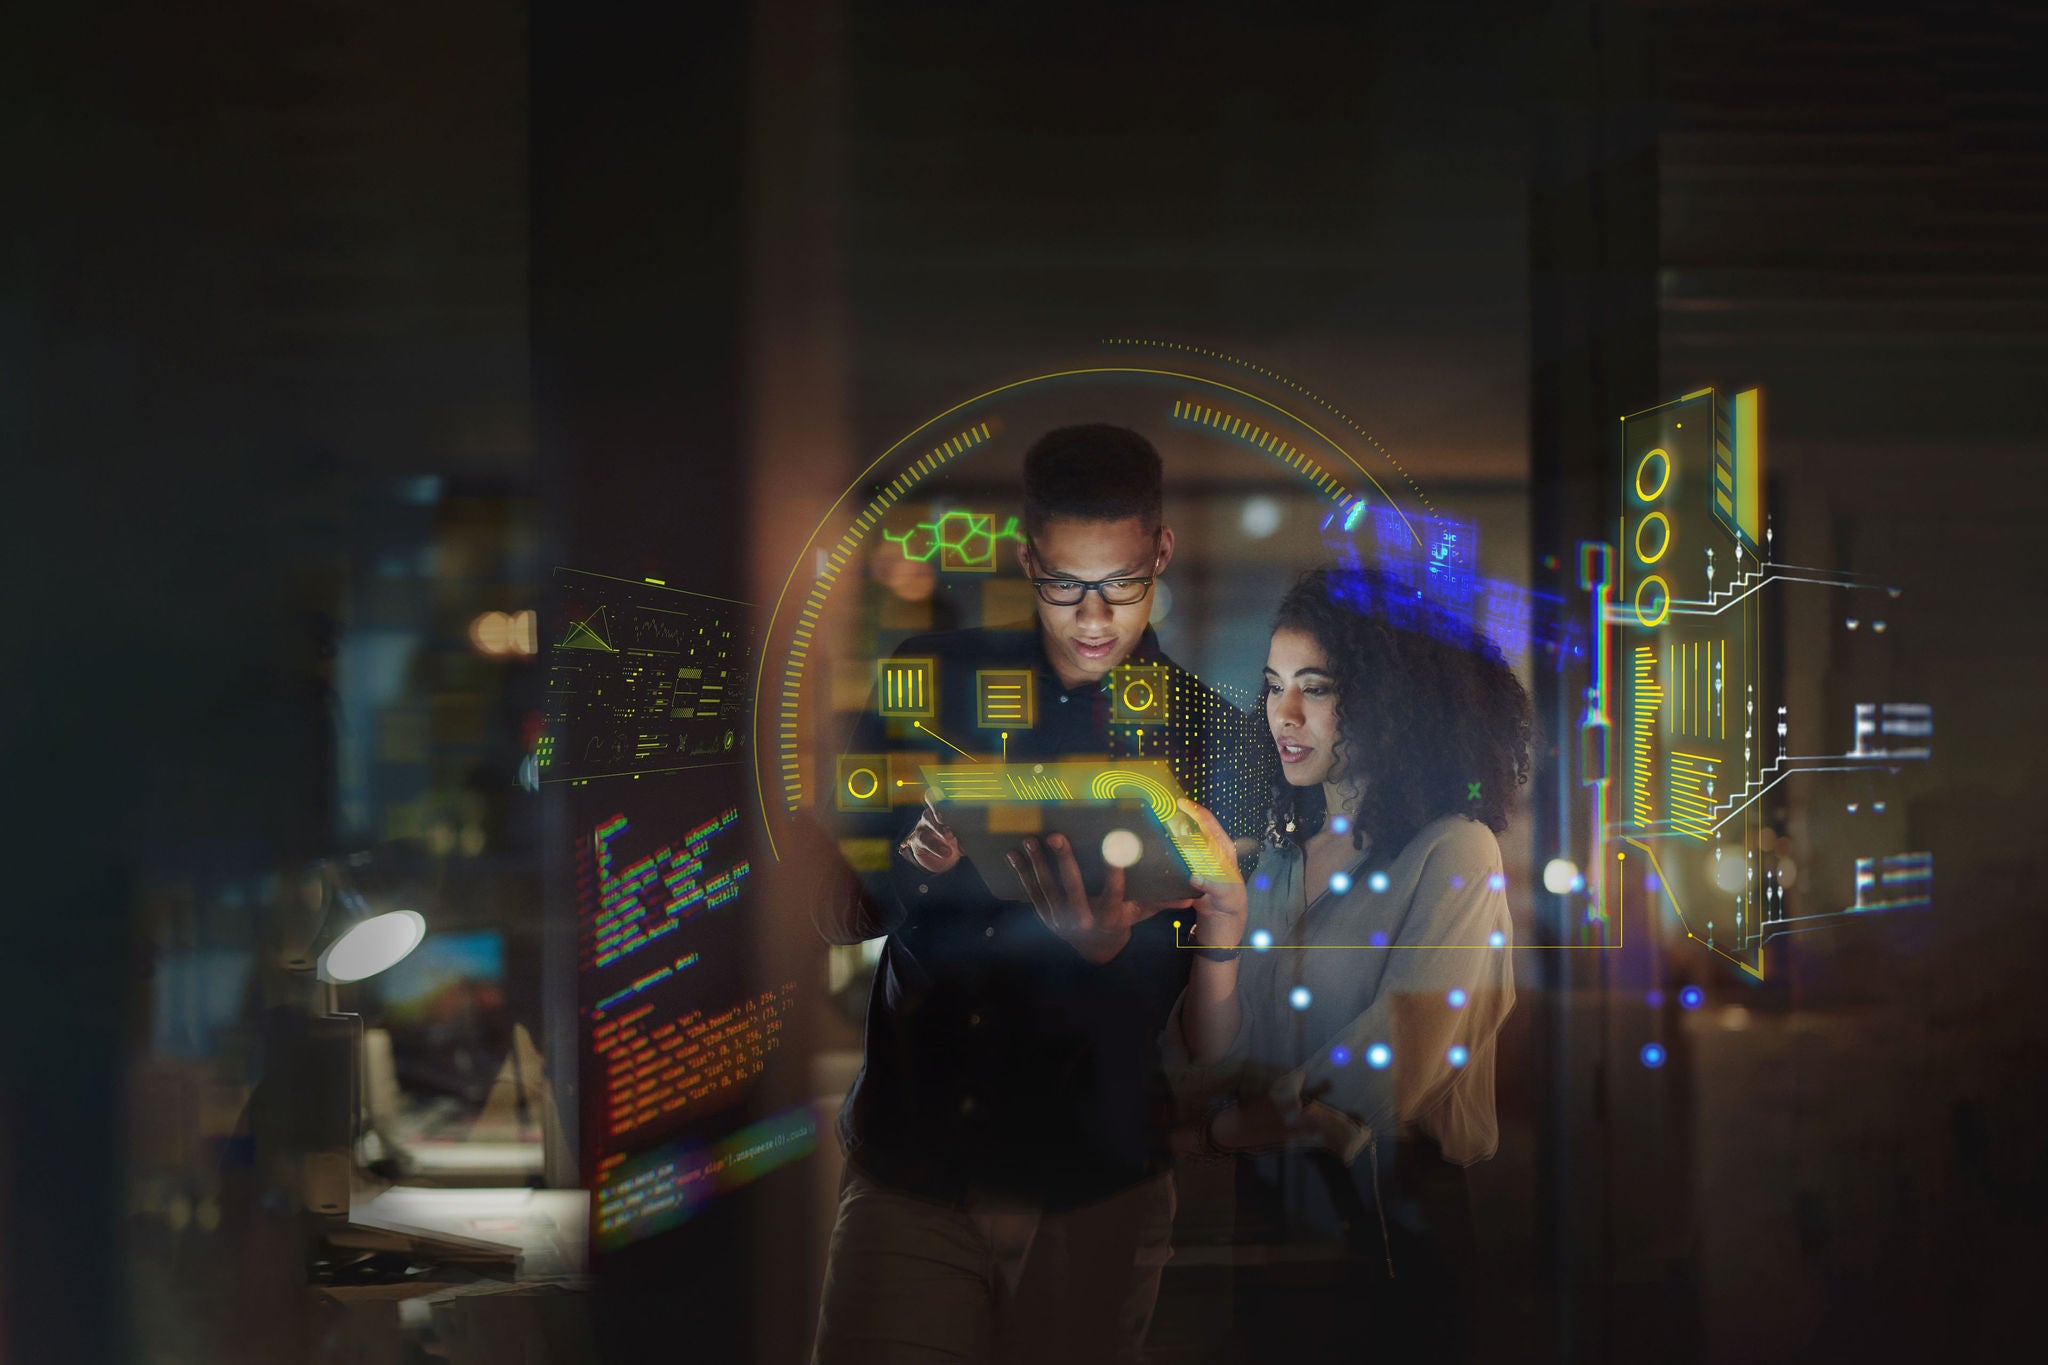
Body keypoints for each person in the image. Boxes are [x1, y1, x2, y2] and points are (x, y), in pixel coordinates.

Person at [809, 424, 1257, 1365]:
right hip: (917, 1167)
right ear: (1027, 558)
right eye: (1064, 584)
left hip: (1097, 1189)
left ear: (1161, 553)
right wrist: (911, 861)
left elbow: (1206, 1032)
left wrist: (1127, 956)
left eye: (1122, 584)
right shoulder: (924, 682)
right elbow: (835, 913)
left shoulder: (1212, 737)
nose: (1094, 618)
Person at [1165, 566, 1533, 1360]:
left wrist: (1215, 1132)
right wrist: (1223, 931)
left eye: (1316, 688)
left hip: (1395, 1222)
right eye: (1271, 686)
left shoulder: (1456, 849)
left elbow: (1391, 1068)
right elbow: (1220, 1057)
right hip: (1264, 1216)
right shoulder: (1280, 858)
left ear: (1390, 697)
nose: (1283, 715)